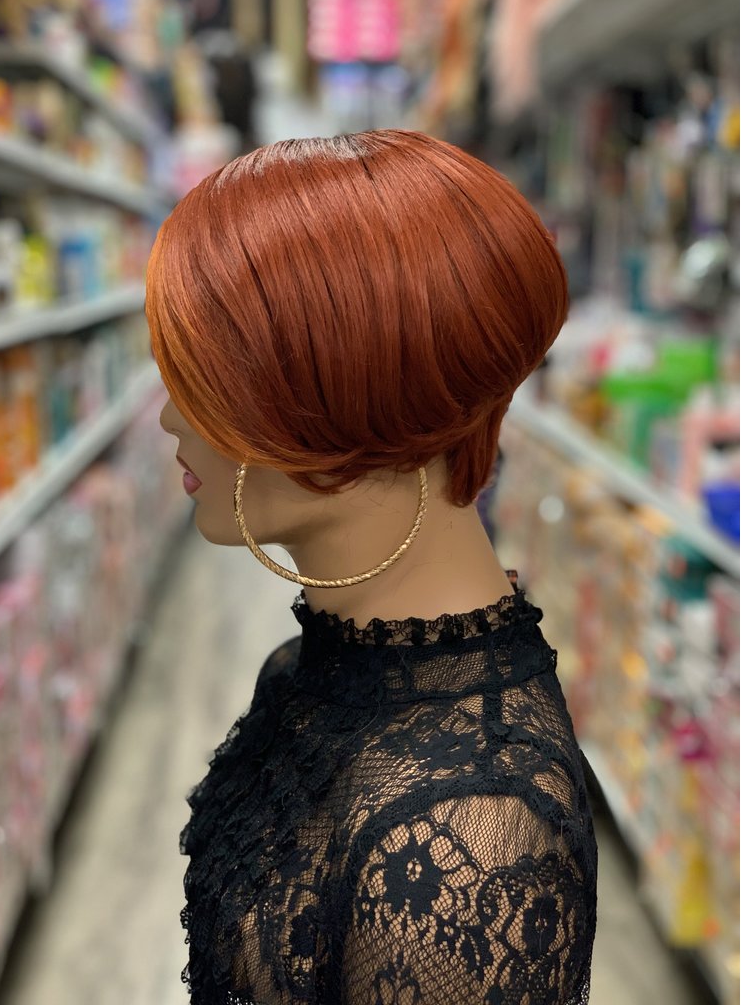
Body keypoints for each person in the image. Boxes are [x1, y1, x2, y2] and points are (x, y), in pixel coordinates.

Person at [146, 129, 598, 1004]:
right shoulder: (314, 667)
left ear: (350, 389)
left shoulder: (469, 832)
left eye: (206, 380)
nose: (172, 418)